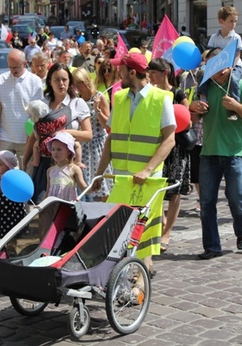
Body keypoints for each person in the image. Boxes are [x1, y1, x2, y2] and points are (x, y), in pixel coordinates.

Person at [93, 53, 176, 272]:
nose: (117, 73)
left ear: (132, 73)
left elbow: (170, 139)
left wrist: (148, 170)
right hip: (121, 176)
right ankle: (126, 271)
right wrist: (99, 174)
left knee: (144, 228)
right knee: (118, 227)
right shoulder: (119, 98)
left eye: (121, 70)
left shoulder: (161, 99)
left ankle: (140, 278)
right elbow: (112, 137)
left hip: (147, 179)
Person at [190, 48, 242, 260]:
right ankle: (212, 246)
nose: (216, 70)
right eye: (210, 66)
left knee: (237, 198)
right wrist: (193, 108)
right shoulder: (203, 89)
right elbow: (192, 121)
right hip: (209, 152)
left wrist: (237, 106)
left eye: (219, 64)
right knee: (207, 202)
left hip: (235, 153)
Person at [24, 63, 92, 203]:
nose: (61, 83)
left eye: (65, 79)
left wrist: (63, 133)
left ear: (70, 82)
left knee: (70, 211)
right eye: (56, 79)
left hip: (69, 167)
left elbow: (88, 135)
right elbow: (34, 135)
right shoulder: (41, 105)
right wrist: (25, 161)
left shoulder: (77, 103)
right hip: (44, 165)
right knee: (42, 208)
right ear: (49, 81)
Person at [147, 58, 191, 253]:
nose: (150, 77)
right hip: (156, 147)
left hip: (177, 147)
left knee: (174, 191)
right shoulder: (151, 94)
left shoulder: (178, 93)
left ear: (164, 73)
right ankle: (161, 222)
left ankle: (167, 232)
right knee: (158, 189)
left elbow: (187, 120)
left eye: (154, 73)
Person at [0, 49, 44, 168]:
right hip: (5, 138)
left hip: (26, 139)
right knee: (2, 175)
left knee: (27, 175)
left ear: (24, 64)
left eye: (16, 67)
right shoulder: (1, 80)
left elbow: (36, 113)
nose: (12, 71)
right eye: (10, 67)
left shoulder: (35, 81)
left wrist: (34, 138)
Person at [72, 67, 113, 200]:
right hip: (82, 146)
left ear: (87, 80)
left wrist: (97, 110)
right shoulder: (77, 99)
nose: (78, 86)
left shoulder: (99, 97)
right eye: (76, 83)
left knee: (103, 184)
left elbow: (108, 124)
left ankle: (105, 214)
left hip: (98, 144)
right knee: (84, 184)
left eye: (81, 82)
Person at [199, 6, 242, 121]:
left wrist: (230, 68)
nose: (233, 24)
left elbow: (237, 55)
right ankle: (203, 98)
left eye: (235, 21)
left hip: (234, 65)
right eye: (231, 21)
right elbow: (209, 53)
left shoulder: (236, 37)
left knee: (233, 78)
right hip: (217, 65)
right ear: (221, 21)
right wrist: (208, 64)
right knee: (202, 73)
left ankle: (234, 107)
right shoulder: (214, 38)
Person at [25, 99, 83, 168]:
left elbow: (37, 137)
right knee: (77, 144)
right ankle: (78, 162)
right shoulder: (57, 119)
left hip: (46, 147)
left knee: (36, 145)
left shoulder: (37, 125)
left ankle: (36, 161)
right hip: (63, 144)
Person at [44, 132, 88, 201]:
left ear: (69, 151)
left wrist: (93, 187)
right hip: (53, 207)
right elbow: (47, 191)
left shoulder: (74, 169)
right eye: (53, 149)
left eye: (59, 149)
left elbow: (84, 188)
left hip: (68, 205)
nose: (55, 152)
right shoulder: (50, 170)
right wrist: (40, 206)